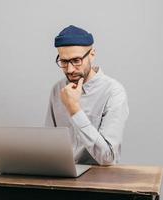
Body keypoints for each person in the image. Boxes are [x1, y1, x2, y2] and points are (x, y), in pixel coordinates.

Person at [45, 25, 129, 165]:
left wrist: (74, 110)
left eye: (76, 60)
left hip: (98, 180)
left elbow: (108, 158)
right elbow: (48, 144)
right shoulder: (58, 89)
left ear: (92, 54)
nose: (70, 69)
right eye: (64, 62)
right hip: (60, 177)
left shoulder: (114, 92)